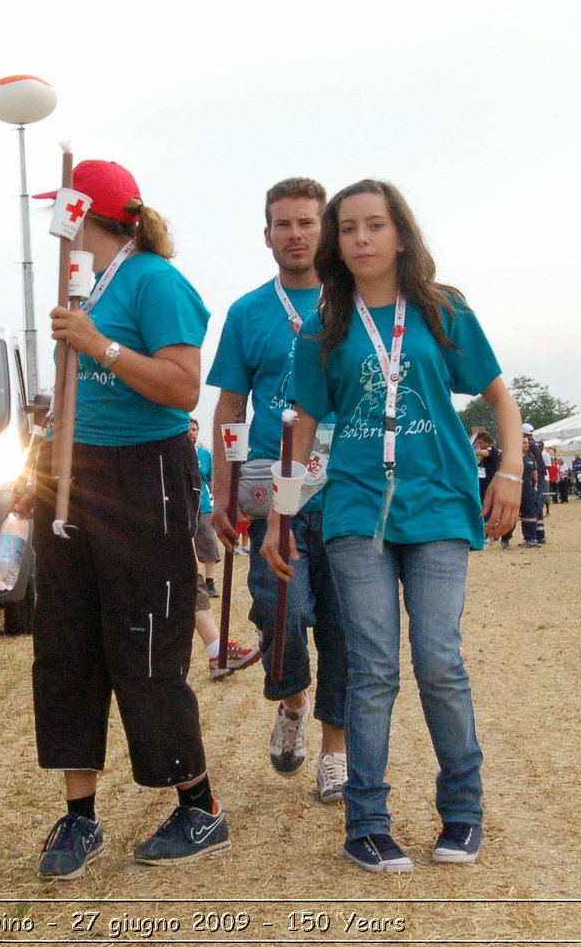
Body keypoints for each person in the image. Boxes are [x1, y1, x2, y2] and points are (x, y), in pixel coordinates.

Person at [265, 178, 522, 873]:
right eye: (347, 229)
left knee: (440, 659)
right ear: (334, 243)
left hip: (438, 503)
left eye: (374, 225)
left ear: (400, 234)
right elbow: (303, 428)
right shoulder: (326, 327)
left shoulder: (443, 311)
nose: (361, 239)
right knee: (373, 667)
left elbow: (502, 400)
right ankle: (367, 822)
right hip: (354, 510)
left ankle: (463, 812)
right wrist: (278, 520)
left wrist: (511, 472)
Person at [23, 158, 226, 879]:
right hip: (72, 475)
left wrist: (99, 343)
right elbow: (73, 389)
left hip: (146, 476)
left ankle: (198, 806)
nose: (54, 226)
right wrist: (37, 472)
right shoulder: (78, 283)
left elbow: (180, 388)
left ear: (89, 216)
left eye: (61, 213)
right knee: (67, 644)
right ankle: (79, 818)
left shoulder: (154, 281)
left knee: (144, 641)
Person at [208, 176, 349, 800]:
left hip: (346, 486)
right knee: (277, 612)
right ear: (267, 235)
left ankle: (336, 750)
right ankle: (291, 703)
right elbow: (230, 406)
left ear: (326, 229)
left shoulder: (353, 302)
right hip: (273, 491)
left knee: (346, 624)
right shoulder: (247, 312)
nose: (296, 235)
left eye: (307, 223)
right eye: (283, 225)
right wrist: (222, 485)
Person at [187, 420, 261, 679]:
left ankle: (218, 653)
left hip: (180, 514)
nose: (190, 431)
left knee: (186, 577)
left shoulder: (199, 454)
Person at [189, 419, 221, 596]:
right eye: (188, 429)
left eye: (194, 429)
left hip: (203, 506)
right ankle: (189, 581)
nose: (191, 432)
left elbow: (211, 481)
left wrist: (217, 501)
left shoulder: (204, 455)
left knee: (208, 542)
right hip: (182, 507)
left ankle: (210, 583)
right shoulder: (176, 452)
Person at [518, 424, 545, 546]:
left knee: (533, 506)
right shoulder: (535, 444)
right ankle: (539, 535)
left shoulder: (530, 446)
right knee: (536, 506)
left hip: (532, 478)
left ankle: (535, 536)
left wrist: (534, 485)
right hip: (536, 477)